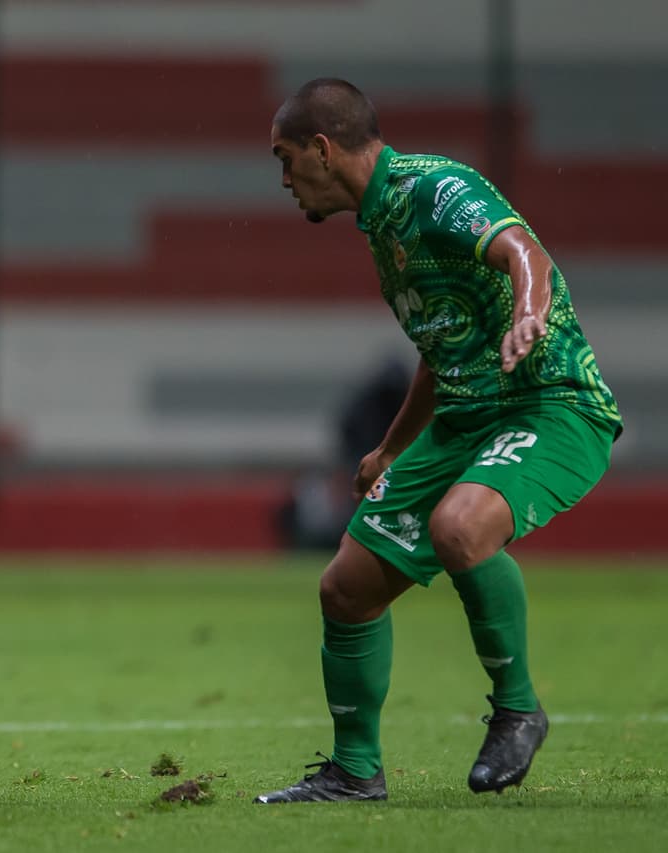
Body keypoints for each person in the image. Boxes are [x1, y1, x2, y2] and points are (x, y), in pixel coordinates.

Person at [255, 79, 621, 803]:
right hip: (464, 416)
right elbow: (441, 341)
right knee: (346, 588)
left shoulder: (434, 187)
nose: (284, 178)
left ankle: (518, 708)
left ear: (323, 150)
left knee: (459, 527)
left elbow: (525, 252)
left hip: (549, 401)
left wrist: (528, 315)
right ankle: (355, 772)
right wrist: (393, 446)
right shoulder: (382, 224)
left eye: (286, 158)